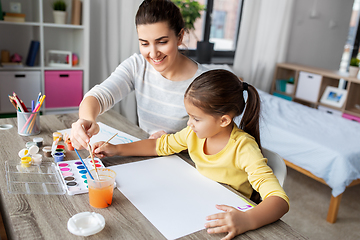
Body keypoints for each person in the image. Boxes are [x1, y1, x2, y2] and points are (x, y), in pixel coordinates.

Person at [91, 69, 290, 239]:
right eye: (189, 116)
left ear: (223, 121)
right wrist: (116, 149)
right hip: (195, 202)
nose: (189, 123)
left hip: (225, 217)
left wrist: (247, 219)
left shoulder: (244, 148)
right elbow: (159, 146)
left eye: (195, 118)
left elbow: (279, 200)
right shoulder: (193, 134)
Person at [70, 0, 207, 150]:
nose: (153, 53)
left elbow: (217, 139)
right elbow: (99, 96)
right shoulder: (138, 65)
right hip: (145, 155)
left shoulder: (205, 81)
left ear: (180, 37)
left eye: (162, 42)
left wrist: (173, 142)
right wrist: (86, 120)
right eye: (144, 44)